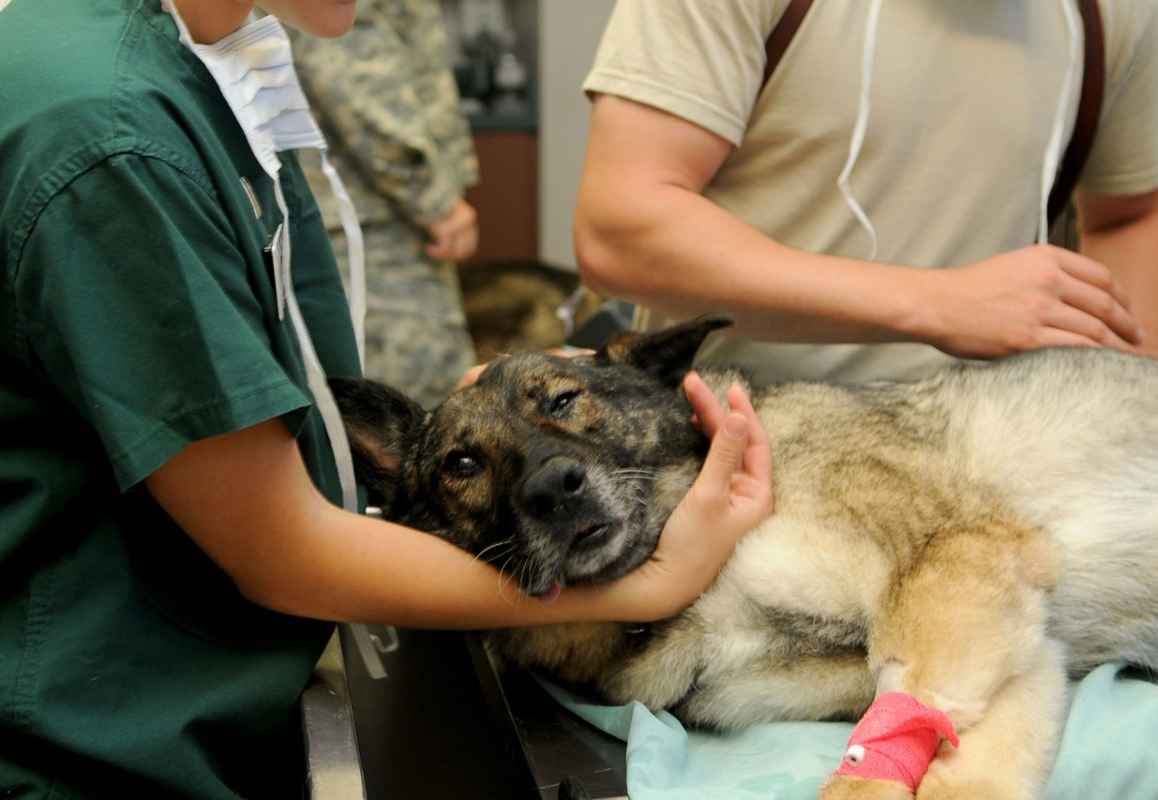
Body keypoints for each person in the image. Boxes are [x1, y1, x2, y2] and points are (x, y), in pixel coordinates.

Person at [0, 1, 773, 797]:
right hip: (93, 753)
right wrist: (657, 580)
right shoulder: (111, 137)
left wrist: (501, 411)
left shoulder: (200, 65)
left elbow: (251, 386)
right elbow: (280, 550)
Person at [575, 0, 1158, 385]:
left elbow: (1135, 212)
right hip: (740, 445)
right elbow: (622, 227)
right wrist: (939, 303)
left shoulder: (1115, 12)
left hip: (996, 452)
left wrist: (1119, 401)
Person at [293, 0, 481, 409]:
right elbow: (351, 74)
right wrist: (436, 202)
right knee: (412, 414)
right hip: (372, 226)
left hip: (370, 216)